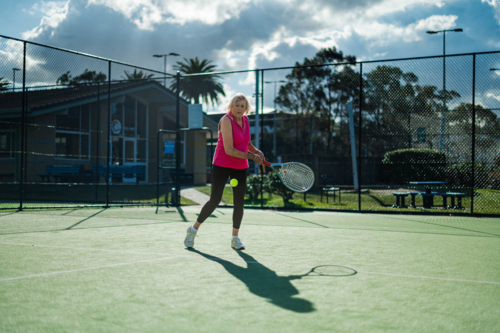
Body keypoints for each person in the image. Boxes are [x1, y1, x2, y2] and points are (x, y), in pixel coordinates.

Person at [184, 93, 264, 250]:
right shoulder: (226, 120)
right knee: (215, 200)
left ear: (246, 108)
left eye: (243, 106)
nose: (239, 109)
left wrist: (257, 151)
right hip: (222, 163)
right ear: (231, 106)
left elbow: (245, 142)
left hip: (240, 166)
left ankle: (235, 238)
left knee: (239, 203)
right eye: (237, 105)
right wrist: (252, 157)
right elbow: (229, 150)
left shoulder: (246, 120)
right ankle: (193, 230)